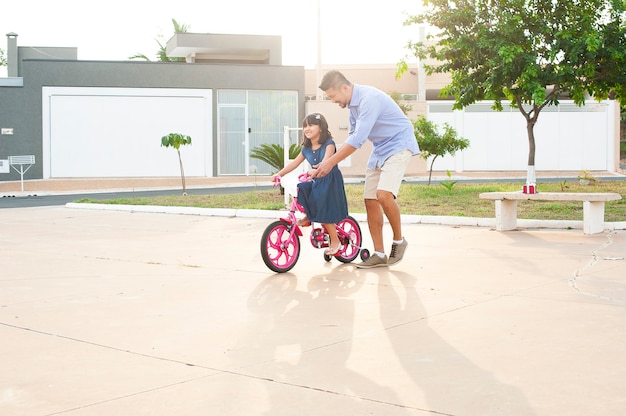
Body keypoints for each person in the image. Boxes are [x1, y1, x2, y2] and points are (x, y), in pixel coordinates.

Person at [310, 70, 420, 268]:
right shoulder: (353, 107)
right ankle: (378, 254)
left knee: (384, 195)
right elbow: (352, 136)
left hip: (398, 145)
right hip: (380, 149)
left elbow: (358, 141)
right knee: (370, 200)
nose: (333, 101)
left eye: (333, 96)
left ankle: (399, 241)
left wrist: (331, 162)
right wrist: (329, 159)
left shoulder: (369, 99)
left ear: (345, 88)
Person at [273, 113, 349, 256]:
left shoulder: (329, 144)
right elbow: (294, 163)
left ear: (321, 128)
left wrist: (315, 169)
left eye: (311, 125)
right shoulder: (306, 149)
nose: (307, 128)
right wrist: (279, 174)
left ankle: (335, 241)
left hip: (329, 180)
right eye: (305, 126)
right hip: (316, 180)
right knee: (301, 188)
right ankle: (309, 216)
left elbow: (326, 161)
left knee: (322, 210)